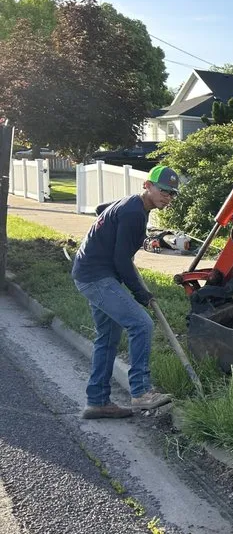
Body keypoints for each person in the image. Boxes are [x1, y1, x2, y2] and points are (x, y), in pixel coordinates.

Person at [71, 165, 181, 419]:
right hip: (97, 277)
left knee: (107, 340)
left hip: (91, 273)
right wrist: (141, 294)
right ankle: (141, 392)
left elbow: (101, 209)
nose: (168, 197)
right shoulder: (133, 212)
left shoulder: (130, 205)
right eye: (164, 190)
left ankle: (97, 402)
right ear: (148, 185)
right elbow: (122, 261)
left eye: (172, 193)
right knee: (141, 324)